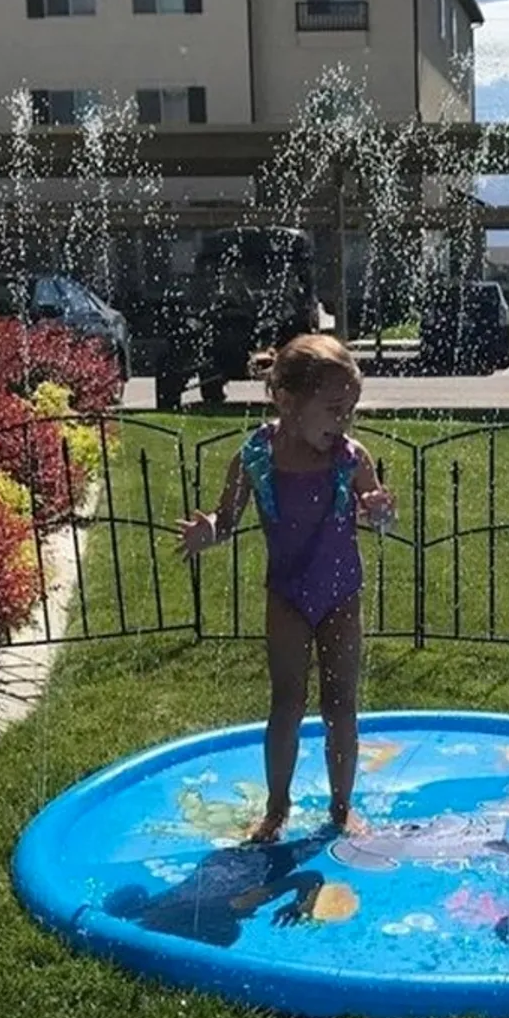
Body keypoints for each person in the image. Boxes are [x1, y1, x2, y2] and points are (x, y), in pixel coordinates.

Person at [177, 335, 395, 842]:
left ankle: (342, 807)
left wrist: (382, 513)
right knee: (287, 704)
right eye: (335, 409)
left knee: (341, 706)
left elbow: (378, 512)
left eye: (351, 410)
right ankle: (277, 807)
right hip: (288, 597)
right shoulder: (256, 455)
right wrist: (209, 529)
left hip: (342, 595)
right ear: (288, 401)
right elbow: (227, 518)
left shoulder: (350, 457)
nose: (344, 422)